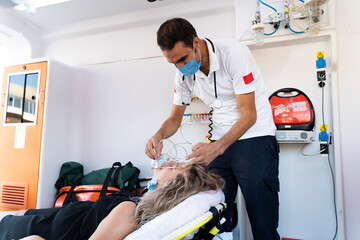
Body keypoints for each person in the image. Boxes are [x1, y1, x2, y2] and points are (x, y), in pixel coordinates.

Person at [145, 18, 280, 240]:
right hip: (219, 140)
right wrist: (157, 135)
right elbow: (174, 118)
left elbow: (249, 116)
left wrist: (216, 148)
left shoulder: (234, 54)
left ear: (196, 42)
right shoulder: (183, 74)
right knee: (208, 215)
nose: (180, 67)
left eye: (182, 59)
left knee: (263, 220)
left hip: (255, 136)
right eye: (173, 63)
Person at [0, 164, 224, 240]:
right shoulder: (142, 202)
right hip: (60, 216)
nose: (171, 161)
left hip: (54, 229)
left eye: (174, 166)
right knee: (17, 213)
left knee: (6, 222)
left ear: (173, 188)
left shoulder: (130, 212)